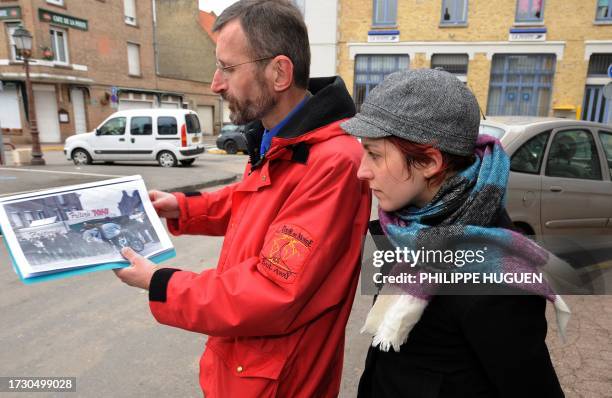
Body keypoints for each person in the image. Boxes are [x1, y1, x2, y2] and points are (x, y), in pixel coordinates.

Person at [113, 1, 371, 397]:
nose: (216, 83)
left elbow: (274, 291)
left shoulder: (332, 162)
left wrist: (161, 282)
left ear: (279, 72)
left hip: (278, 384)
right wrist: (181, 207)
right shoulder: (281, 140)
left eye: (228, 68)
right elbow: (251, 200)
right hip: (242, 368)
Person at [340, 68, 570, 398]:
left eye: (374, 154)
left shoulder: (495, 279)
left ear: (431, 162)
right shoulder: (405, 228)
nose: (362, 170)